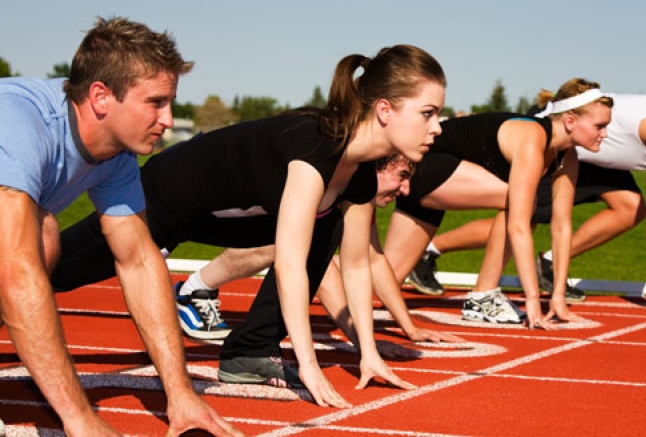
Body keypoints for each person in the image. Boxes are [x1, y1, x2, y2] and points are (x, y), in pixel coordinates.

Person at [51, 44, 447, 408]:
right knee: (58, 268)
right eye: (427, 113)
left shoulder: (359, 176)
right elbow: (290, 263)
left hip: (228, 216)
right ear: (384, 110)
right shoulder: (316, 147)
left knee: (328, 233)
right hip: (171, 194)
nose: (438, 127)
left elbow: (357, 265)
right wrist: (307, 364)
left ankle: (251, 349)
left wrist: (369, 352)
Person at [0, 17, 242, 436]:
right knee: (30, 241)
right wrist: (79, 418)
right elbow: (14, 273)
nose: (168, 119)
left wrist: (179, 391)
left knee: (42, 235)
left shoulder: (116, 158)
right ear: (101, 97)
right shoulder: (18, 125)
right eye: (156, 102)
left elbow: (138, 261)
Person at [406, 90, 646, 313]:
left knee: (631, 207)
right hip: (564, 139)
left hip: (595, 157)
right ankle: (440, 256)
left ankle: (551, 262)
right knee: (522, 211)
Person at [381, 79, 613, 331]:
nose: (606, 134)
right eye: (599, 126)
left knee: (381, 281)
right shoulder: (532, 138)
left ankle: (330, 271)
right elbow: (519, 226)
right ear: (570, 122)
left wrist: (557, 297)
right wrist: (532, 300)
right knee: (521, 200)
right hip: (422, 166)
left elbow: (562, 225)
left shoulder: (568, 158)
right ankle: (484, 295)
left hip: (436, 177)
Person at [172, 154, 464, 346]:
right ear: (378, 166)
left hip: (233, 205)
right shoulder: (335, 184)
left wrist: (409, 327)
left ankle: (195, 288)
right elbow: (321, 271)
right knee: (283, 244)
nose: (406, 190)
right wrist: (362, 341)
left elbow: (373, 258)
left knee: (282, 242)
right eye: (401, 175)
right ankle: (194, 289)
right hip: (196, 194)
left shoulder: (358, 193)